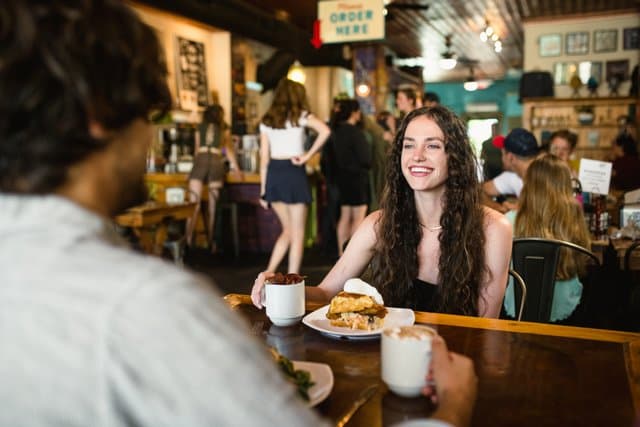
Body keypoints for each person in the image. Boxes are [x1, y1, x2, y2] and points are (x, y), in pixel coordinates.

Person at [0, 2, 479, 426]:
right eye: (149, 112)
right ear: (99, 113)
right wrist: (453, 410)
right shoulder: (153, 305)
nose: (149, 137)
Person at [253, 106, 513, 317]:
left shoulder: (493, 228)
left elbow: (484, 326)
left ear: (454, 157)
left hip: (458, 366)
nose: (417, 156)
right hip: (393, 357)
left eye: (432, 146)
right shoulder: (380, 223)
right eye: (409, 145)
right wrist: (279, 285)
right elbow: (325, 292)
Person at [503, 154, 591, 323]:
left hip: (517, 309)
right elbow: (582, 261)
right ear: (565, 186)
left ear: (528, 185)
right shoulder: (575, 217)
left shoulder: (508, 221)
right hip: (568, 311)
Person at [259, 78, 331, 274]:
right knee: (297, 233)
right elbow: (325, 131)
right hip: (293, 170)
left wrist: (263, 191)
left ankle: (268, 272)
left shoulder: (267, 121)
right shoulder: (301, 116)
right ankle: (293, 279)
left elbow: (264, 158)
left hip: (274, 172)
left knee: (288, 231)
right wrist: (307, 156)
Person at [186, 104, 241, 251]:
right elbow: (228, 151)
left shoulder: (200, 126)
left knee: (194, 205)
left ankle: (188, 241)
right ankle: (212, 244)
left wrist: (193, 168)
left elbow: (197, 149)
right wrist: (236, 169)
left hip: (201, 160)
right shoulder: (224, 128)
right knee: (212, 207)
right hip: (216, 163)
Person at [331, 99, 372, 255]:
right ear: (354, 112)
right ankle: (354, 254)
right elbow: (366, 159)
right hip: (357, 179)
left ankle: (342, 255)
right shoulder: (356, 132)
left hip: (341, 179)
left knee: (345, 215)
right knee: (358, 217)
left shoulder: (336, 131)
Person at [482, 128, 539, 213]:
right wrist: (499, 207)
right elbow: (479, 191)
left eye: (502, 153)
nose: (501, 158)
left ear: (511, 157)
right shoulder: (512, 176)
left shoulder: (544, 177)